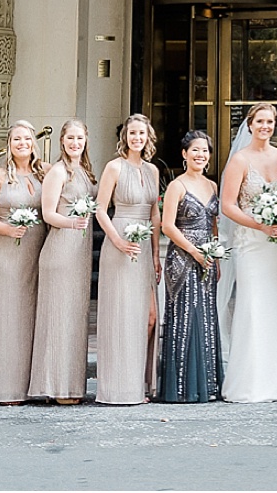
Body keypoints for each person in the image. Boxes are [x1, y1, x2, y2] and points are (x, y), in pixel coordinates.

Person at [219, 101, 277, 402]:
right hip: (251, 243)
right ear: (249, 124)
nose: (265, 126)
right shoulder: (240, 160)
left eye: (270, 121)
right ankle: (250, 380)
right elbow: (228, 206)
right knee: (253, 306)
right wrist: (258, 224)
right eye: (260, 121)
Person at [0, 120, 48, 404]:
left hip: (35, 251)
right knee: (5, 316)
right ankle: (2, 387)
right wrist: (6, 229)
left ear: (33, 143)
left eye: (27, 139)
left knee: (29, 316)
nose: (22, 144)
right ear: (9, 144)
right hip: (5, 253)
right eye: (17, 139)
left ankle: (29, 384)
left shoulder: (44, 173)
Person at [29, 118, 97, 404]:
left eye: (79, 138)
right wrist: (72, 224)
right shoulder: (58, 172)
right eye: (70, 138)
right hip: (60, 250)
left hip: (79, 253)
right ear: (61, 141)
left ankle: (71, 385)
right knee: (58, 317)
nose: (75, 143)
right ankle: (54, 386)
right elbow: (48, 214)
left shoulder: (86, 171)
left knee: (74, 319)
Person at [95, 113, 162, 405]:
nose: (137, 138)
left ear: (148, 137)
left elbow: (155, 213)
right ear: (125, 137)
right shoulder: (114, 167)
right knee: (122, 316)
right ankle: (118, 387)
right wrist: (117, 240)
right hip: (119, 241)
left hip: (145, 245)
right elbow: (99, 209)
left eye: (142, 134)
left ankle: (141, 382)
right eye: (132, 133)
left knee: (148, 318)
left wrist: (157, 252)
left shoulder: (153, 171)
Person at [159, 129, 223, 403]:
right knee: (186, 317)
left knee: (206, 317)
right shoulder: (177, 186)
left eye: (205, 150)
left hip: (207, 258)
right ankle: (182, 386)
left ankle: (206, 384)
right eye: (195, 150)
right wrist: (194, 252)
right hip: (183, 258)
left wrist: (214, 256)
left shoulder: (213, 186)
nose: (201, 155)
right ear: (184, 155)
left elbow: (214, 224)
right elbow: (167, 226)